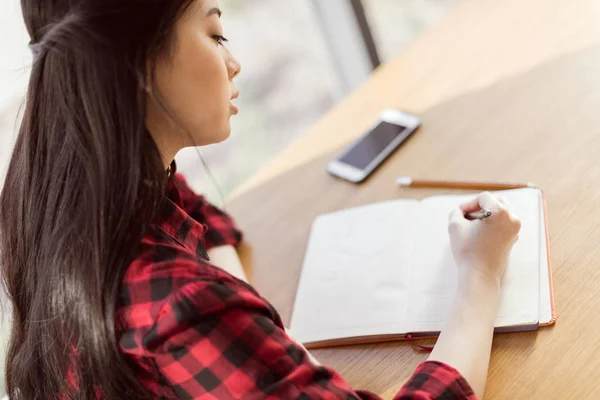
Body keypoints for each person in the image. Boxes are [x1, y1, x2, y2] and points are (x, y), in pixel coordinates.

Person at [0, 0, 521, 399]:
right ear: (136, 63)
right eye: (214, 33)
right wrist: (479, 274)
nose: (234, 62)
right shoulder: (176, 308)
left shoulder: (60, 197)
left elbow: (199, 212)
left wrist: (254, 319)